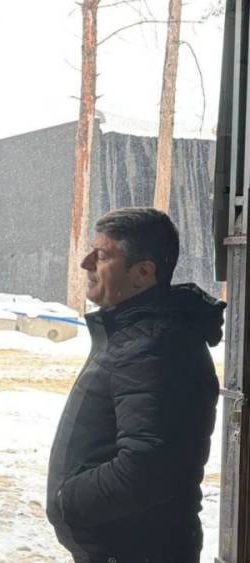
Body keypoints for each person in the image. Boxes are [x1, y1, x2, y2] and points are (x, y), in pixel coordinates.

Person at [47, 207, 224, 562]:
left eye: (101, 254)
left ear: (143, 273)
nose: (85, 263)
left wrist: (68, 501)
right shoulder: (136, 334)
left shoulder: (154, 346)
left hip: (136, 548)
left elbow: (147, 468)